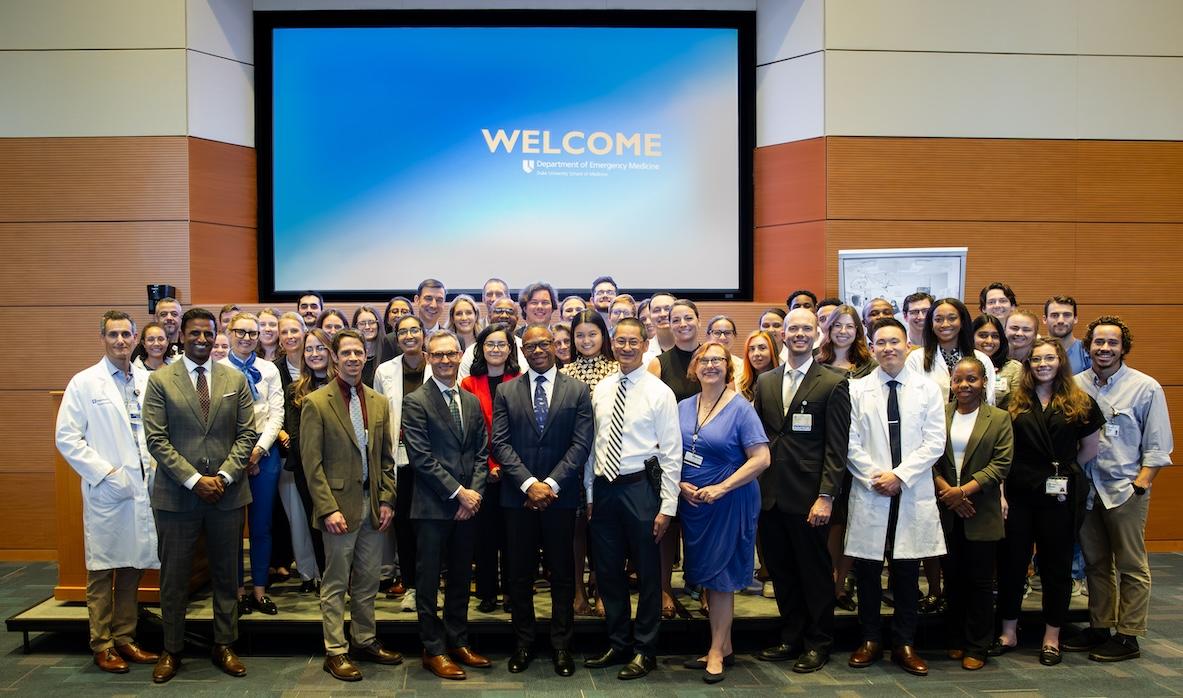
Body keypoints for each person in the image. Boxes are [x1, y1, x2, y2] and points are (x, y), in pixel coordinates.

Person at [142, 308, 256, 683]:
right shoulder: (160, 381)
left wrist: (222, 475)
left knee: (227, 574)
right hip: (177, 496)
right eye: (195, 333)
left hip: (226, 493)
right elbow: (157, 440)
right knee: (174, 578)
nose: (203, 340)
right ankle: (171, 648)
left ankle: (225, 644)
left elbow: (246, 434)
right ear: (183, 336)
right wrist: (194, 479)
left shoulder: (234, 378)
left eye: (209, 333)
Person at [55, 310, 161, 674]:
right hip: (108, 489)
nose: (120, 341)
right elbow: (67, 438)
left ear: (136, 339)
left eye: (126, 335)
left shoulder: (147, 380)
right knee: (102, 571)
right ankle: (102, 644)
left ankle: (126, 638)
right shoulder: (85, 383)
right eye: (113, 335)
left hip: (143, 487)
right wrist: (105, 473)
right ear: (102, 338)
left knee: (132, 568)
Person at [1067, 316, 1173, 662]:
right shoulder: (1076, 385)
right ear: (1088, 346)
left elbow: (1158, 446)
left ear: (1123, 348)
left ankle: (1128, 635)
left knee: (1131, 565)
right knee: (1096, 563)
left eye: (1112, 343)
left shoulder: (1146, 387)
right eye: (1098, 342)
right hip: (1087, 490)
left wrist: (1140, 486)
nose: (1105, 348)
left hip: (1124, 489)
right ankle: (1101, 627)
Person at [492, 324, 595, 677]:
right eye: (530, 345)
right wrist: (528, 485)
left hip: (560, 498)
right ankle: (523, 643)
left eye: (544, 343)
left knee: (563, 575)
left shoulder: (578, 391)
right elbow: (500, 444)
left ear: (556, 346)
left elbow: (581, 445)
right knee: (518, 575)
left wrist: (549, 485)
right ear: (522, 349)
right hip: (517, 499)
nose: (538, 350)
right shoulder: (506, 391)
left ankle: (562, 646)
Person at [992, 338, 1102, 666]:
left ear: (1060, 362)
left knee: (1056, 567)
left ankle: (1052, 636)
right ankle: (1008, 631)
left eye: (1049, 358)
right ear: (1028, 364)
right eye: (1036, 359)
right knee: (1012, 565)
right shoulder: (1012, 402)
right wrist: (1000, 494)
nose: (1042, 363)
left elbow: (1089, 450)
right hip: (1019, 492)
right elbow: (1002, 453)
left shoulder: (1080, 401)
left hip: (1060, 492)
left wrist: (1060, 468)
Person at [845, 318, 946, 677]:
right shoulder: (857, 389)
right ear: (871, 347)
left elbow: (935, 442)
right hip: (871, 488)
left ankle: (905, 642)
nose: (888, 348)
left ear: (908, 346)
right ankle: (870, 638)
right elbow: (850, 441)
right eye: (881, 342)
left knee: (906, 570)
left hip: (911, 488)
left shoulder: (928, 389)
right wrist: (877, 477)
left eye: (895, 341)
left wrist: (899, 476)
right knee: (868, 568)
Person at [751, 309, 850, 673]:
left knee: (814, 573)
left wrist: (826, 496)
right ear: (783, 334)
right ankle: (791, 637)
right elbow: (759, 439)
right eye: (793, 328)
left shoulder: (834, 382)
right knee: (782, 571)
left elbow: (837, 448)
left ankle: (818, 642)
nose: (799, 334)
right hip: (770, 495)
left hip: (810, 497)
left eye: (806, 328)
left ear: (818, 335)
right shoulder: (766, 382)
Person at [583, 318, 682, 680]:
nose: (625, 347)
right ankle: (618, 642)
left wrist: (667, 507)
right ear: (612, 343)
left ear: (645, 344)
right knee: (607, 571)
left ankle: (645, 649)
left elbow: (672, 453)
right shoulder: (603, 389)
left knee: (648, 573)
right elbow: (596, 445)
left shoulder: (660, 392)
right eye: (620, 341)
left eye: (632, 342)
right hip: (605, 489)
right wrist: (591, 492)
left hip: (641, 488)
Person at [300, 329, 401, 681]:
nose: (354, 358)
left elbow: (386, 458)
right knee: (336, 583)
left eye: (359, 353)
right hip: (338, 509)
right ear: (335, 358)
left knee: (368, 581)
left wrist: (387, 498)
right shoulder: (316, 402)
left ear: (366, 356)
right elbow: (310, 466)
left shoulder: (377, 400)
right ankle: (336, 650)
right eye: (347, 353)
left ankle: (364, 640)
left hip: (372, 507)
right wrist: (327, 509)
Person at [678, 342, 771, 683]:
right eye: (704, 359)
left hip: (730, 501)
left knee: (722, 579)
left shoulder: (741, 408)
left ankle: (716, 651)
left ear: (728, 367)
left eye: (718, 359)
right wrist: (679, 485)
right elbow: (671, 452)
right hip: (695, 504)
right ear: (695, 367)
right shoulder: (684, 406)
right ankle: (725, 645)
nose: (711, 365)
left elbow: (762, 459)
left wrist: (722, 487)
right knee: (708, 576)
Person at [402, 330, 491, 680]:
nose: (444, 360)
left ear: (459, 356)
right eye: (437, 355)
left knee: (459, 578)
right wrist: (458, 493)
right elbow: (421, 459)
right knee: (427, 582)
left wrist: (475, 495)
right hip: (433, 507)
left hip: (467, 508)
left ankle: (457, 641)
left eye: (451, 354)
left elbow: (482, 453)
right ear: (428, 357)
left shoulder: (469, 400)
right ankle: (433, 649)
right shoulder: (416, 401)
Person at [933, 357, 1013, 670]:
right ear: (951, 383)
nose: (964, 385)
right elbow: (929, 458)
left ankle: (977, 645)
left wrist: (962, 492)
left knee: (980, 583)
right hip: (948, 511)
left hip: (981, 511)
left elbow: (1001, 464)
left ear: (983, 382)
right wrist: (948, 494)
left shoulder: (1000, 418)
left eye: (972, 379)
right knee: (952, 580)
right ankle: (954, 638)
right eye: (958, 380)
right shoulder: (940, 415)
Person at [220, 312, 285, 616]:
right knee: (232, 528)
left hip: (265, 452)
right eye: (241, 332)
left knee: (261, 525)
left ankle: (259, 590)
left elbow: (276, 415)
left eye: (252, 333)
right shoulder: (215, 370)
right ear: (229, 332)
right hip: (228, 455)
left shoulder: (269, 369)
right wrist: (240, 455)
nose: (247, 338)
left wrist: (258, 450)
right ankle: (237, 591)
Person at [815, 304, 876, 612]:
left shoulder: (870, 367)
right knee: (833, 522)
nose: (842, 331)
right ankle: (826, 583)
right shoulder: (817, 363)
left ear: (858, 331)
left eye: (849, 326)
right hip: (825, 453)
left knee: (854, 521)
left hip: (862, 454)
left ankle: (841, 586)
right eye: (837, 325)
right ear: (827, 329)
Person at [561, 309, 619, 617]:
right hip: (572, 461)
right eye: (580, 335)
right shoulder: (564, 372)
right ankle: (577, 591)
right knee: (576, 529)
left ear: (604, 336)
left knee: (603, 529)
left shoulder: (616, 370)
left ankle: (601, 589)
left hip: (607, 461)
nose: (586, 340)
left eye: (592, 334)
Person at [373, 314, 433, 612]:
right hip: (401, 459)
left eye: (414, 330)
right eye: (403, 332)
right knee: (407, 527)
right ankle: (411, 586)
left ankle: (433, 585)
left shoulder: (439, 364)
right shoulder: (385, 371)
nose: (409, 336)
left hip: (435, 460)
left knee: (432, 527)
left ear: (424, 334)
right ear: (396, 338)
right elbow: (379, 418)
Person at [459, 324, 520, 615]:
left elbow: (524, 431)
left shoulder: (521, 380)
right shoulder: (469, 384)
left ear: (510, 349)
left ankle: (512, 591)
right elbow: (470, 432)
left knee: (513, 536)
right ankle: (486, 593)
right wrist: (490, 466)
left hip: (515, 472)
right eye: (490, 344)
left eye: (502, 344)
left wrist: (506, 465)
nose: (496, 349)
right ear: (480, 349)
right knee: (484, 537)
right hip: (481, 471)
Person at [646, 299, 701, 617]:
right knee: (667, 525)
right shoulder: (658, 363)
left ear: (697, 320)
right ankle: (665, 589)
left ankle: (706, 588)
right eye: (674, 318)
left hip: (705, 456)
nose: (681, 323)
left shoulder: (712, 357)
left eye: (687, 318)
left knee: (701, 528)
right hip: (668, 455)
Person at [281, 326, 330, 593]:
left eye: (320, 347)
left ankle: (344, 579)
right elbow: (296, 435)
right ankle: (325, 579)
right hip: (307, 470)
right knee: (317, 526)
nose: (314, 354)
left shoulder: (346, 384)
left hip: (340, 470)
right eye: (309, 349)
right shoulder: (295, 390)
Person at [904, 298, 997, 404]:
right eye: (938, 320)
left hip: (973, 419)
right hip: (927, 419)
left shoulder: (981, 359)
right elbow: (908, 399)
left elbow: (989, 400)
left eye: (952, 318)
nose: (945, 324)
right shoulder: (916, 358)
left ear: (962, 322)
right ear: (931, 324)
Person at [458, 297, 527, 380]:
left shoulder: (525, 348)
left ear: (517, 319)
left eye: (510, 312)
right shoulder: (472, 351)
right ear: (489, 316)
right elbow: (463, 387)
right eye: (498, 311)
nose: (504, 315)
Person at [972, 314, 1022, 401]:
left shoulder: (1014, 368)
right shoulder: (960, 365)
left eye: (995, 336)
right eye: (983, 335)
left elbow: (1017, 406)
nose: (989, 341)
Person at [1044, 296, 1091, 374]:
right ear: (1045, 319)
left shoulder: (1086, 351)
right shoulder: (1034, 350)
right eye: (1055, 315)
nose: (1060, 321)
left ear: (1075, 319)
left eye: (1067, 315)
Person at [736, 330, 778, 402]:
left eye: (762, 348)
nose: (756, 353)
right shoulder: (741, 384)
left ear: (772, 351)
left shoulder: (783, 381)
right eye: (752, 349)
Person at [351, 305, 387, 384]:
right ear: (355, 327)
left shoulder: (388, 351)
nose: (367, 327)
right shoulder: (351, 355)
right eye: (362, 323)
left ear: (378, 324)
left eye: (371, 322)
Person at [705, 314, 744, 383]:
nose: (722, 337)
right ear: (708, 336)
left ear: (734, 336)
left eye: (727, 333)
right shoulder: (701, 364)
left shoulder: (743, 366)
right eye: (717, 333)